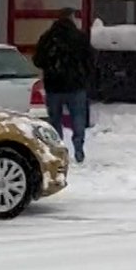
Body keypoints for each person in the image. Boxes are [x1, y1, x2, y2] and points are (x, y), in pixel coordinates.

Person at [35, 10, 94, 163]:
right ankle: (79, 148)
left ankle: (57, 150)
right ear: (72, 19)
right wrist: (84, 75)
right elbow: (90, 59)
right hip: (76, 85)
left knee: (55, 120)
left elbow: (38, 60)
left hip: (54, 86)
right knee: (78, 118)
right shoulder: (79, 38)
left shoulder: (48, 38)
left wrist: (51, 67)